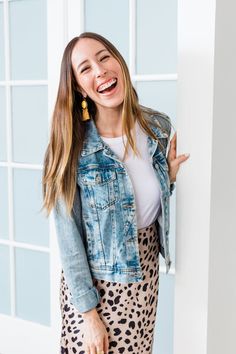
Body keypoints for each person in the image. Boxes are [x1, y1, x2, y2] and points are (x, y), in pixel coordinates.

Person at [42, 32, 189, 354]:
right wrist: (88, 315)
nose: (100, 70)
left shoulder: (157, 127)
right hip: (98, 290)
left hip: (145, 273)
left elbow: (141, 205)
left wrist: (170, 179)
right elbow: (69, 240)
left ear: (119, 62)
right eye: (85, 68)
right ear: (80, 88)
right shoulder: (70, 148)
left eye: (104, 57)